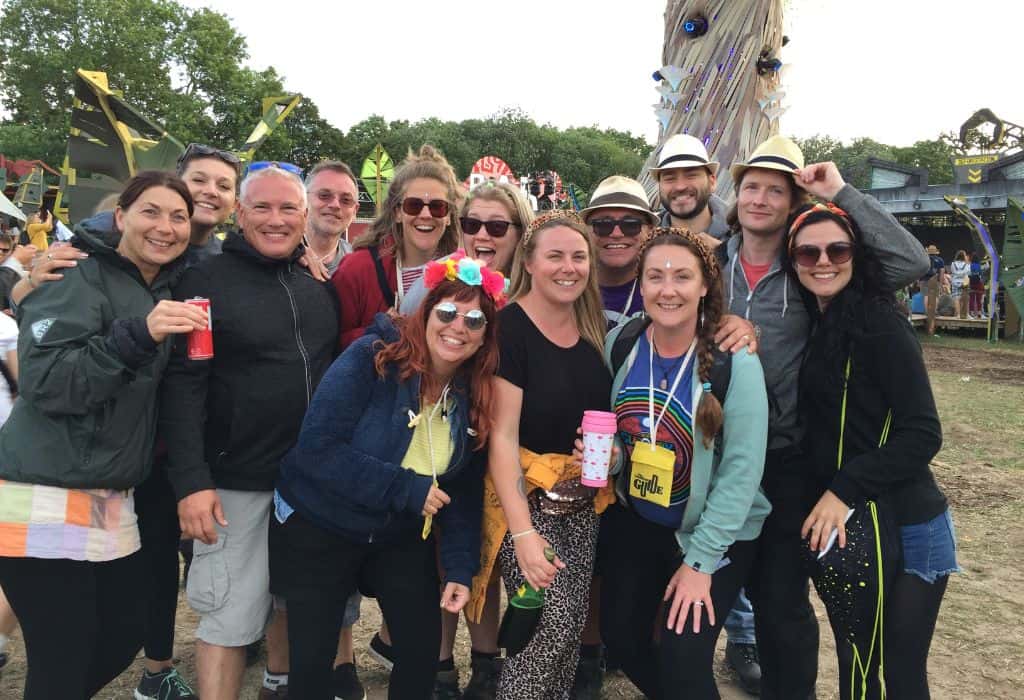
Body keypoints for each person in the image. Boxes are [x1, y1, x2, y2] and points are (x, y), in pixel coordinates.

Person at [719, 136, 930, 700]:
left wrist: (838, 191)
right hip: (718, 460)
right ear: (735, 197)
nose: (760, 199)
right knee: (708, 589)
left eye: (776, 189)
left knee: (783, 601)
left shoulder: (810, 268)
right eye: (751, 187)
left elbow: (910, 263)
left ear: (794, 203)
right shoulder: (711, 259)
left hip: (791, 461)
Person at [0, 171, 205, 699]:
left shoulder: (159, 282)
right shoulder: (74, 272)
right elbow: (45, 384)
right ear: (120, 217)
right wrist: (138, 336)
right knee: (61, 655)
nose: (165, 226)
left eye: (178, 216)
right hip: (45, 492)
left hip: (111, 495)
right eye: (151, 212)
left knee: (124, 632)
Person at [272, 255, 503, 699]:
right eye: (448, 312)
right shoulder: (372, 357)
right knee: (312, 666)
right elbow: (316, 449)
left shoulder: (472, 394)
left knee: (420, 656)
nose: (459, 327)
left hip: (395, 533)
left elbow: (462, 491)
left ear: (485, 337)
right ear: (426, 312)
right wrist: (406, 488)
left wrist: (458, 568)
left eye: (475, 319)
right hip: (323, 523)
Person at [159, 165, 340, 700]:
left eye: (288, 209)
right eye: (261, 207)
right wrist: (192, 480)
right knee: (228, 617)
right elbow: (184, 387)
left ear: (305, 219)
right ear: (239, 214)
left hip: (307, 483)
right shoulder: (204, 282)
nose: (276, 219)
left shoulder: (315, 284)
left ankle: (279, 686)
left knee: (293, 603)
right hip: (235, 482)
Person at [788, 201, 957, 699]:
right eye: (808, 252)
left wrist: (844, 489)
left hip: (910, 524)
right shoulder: (815, 324)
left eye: (838, 249)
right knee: (856, 659)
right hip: (856, 527)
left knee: (900, 672)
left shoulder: (881, 322)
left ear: (856, 256)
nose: (823, 261)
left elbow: (923, 432)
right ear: (793, 261)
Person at [599, 228, 770, 699]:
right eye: (655, 276)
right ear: (641, 284)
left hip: (714, 533)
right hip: (641, 521)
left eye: (681, 276)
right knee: (623, 638)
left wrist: (701, 563)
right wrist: (614, 458)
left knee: (682, 654)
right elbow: (622, 431)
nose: (667, 289)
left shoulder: (736, 362)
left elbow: (741, 473)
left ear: (703, 287)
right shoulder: (622, 343)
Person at [398, 181, 531, 699]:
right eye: (472, 223)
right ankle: (438, 665)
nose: (482, 234)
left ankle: (485, 660)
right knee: (448, 556)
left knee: (491, 560)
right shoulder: (436, 285)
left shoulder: (530, 288)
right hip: (452, 433)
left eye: (496, 226)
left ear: (517, 233)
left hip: (510, 439)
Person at [484, 211, 613, 699]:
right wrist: (523, 535)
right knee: (536, 637)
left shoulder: (592, 331)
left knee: (565, 634)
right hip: (530, 504)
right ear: (530, 263)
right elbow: (501, 438)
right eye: (555, 255)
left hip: (583, 505)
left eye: (579, 256)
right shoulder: (509, 328)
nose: (569, 267)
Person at [651, 135, 763, 690]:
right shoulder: (649, 235)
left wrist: (743, 326)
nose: (679, 186)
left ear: (711, 177)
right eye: (669, 176)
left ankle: (741, 639)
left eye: (689, 174)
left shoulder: (741, 236)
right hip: (666, 452)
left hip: (741, 406)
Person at [333, 145, 462, 348]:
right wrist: (379, 332)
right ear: (397, 212)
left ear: (448, 216)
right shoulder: (356, 269)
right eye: (414, 205)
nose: (426, 215)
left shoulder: (464, 273)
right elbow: (329, 345)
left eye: (438, 207)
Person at [580, 175, 660, 329]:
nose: (616, 234)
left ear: (650, 230)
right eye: (603, 224)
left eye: (631, 224)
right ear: (586, 230)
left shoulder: (666, 293)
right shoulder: (567, 286)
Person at [305, 160, 360, 275]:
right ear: (303, 201)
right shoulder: (276, 253)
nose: (335, 205)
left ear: (355, 211)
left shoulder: (359, 266)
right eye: (324, 196)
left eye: (346, 200)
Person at [921, 245, 945, 335]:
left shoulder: (924, 259)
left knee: (925, 295)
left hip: (924, 280)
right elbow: (942, 272)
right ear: (936, 252)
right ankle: (934, 311)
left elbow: (921, 270)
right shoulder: (940, 260)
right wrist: (941, 283)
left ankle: (927, 311)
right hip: (935, 280)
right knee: (936, 296)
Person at [949, 250, 969, 319]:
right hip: (963, 283)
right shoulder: (966, 265)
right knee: (963, 298)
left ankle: (958, 314)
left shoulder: (953, 264)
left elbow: (952, 272)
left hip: (955, 282)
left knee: (956, 298)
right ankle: (964, 314)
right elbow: (968, 273)